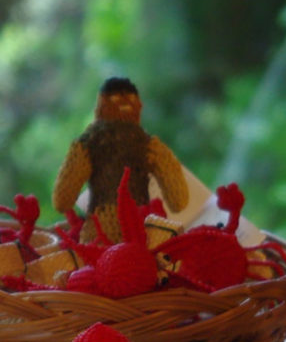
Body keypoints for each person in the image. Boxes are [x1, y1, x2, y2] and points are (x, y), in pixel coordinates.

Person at [52, 77, 188, 242]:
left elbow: (62, 200)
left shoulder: (88, 144)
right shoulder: (149, 145)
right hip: (139, 230)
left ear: (100, 107)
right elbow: (179, 200)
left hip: (100, 232)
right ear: (138, 107)